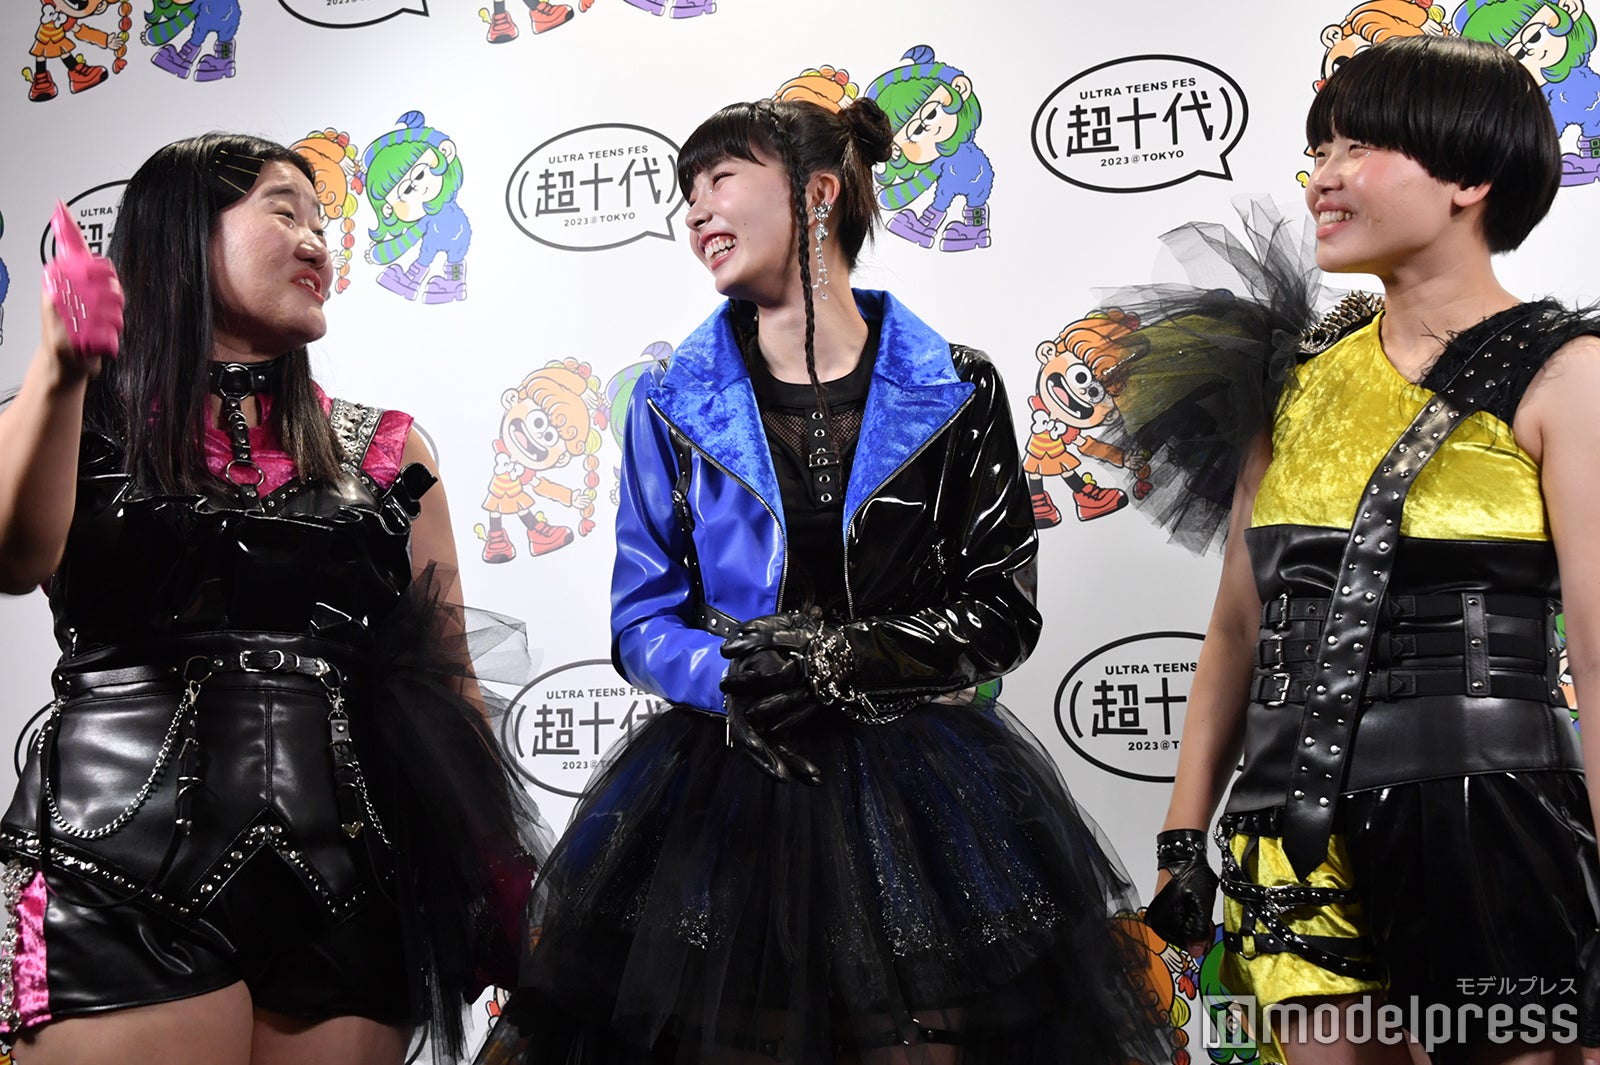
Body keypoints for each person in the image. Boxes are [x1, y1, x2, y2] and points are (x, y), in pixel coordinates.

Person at [474, 97, 1171, 1065]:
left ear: (817, 195)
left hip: (920, 792)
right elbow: (640, 620)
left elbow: (1001, 608)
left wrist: (844, 658)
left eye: (721, 178)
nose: (695, 209)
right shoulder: (669, 402)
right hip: (724, 780)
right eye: (686, 190)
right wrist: (736, 673)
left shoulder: (959, 387)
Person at [0, 134, 544, 1065]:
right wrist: (60, 371)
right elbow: (16, 559)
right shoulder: (67, 413)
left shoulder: (389, 451)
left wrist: (497, 876)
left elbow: (449, 688)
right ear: (179, 236)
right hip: (108, 874)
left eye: (322, 221)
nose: (316, 242)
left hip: (350, 892)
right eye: (283, 211)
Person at [1123, 36, 1600, 1065]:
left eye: (1361, 147)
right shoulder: (1286, 384)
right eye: (1319, 150)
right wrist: (1181, 838)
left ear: (1469, 178)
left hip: (1485, 815)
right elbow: (1236, 627)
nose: (1323, 177)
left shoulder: (1567, 375)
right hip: (1283, 836)